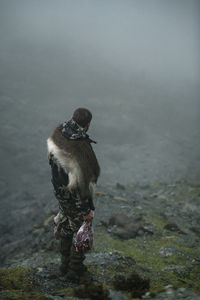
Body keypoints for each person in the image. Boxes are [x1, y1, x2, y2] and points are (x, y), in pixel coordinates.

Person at [47, 108, 100, 282]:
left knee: (66, 226)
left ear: (71, 118)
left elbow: (53, 162)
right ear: (88, 124)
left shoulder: (59, 133)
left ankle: (64, 265)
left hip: (60, 192)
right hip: (75, 196)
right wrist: (87, 209)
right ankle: (74, 270)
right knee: (80, 228)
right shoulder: (80, 145)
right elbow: (82, 182)